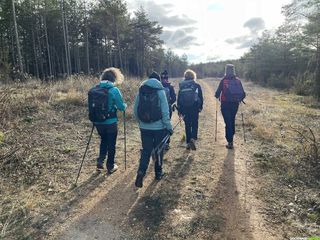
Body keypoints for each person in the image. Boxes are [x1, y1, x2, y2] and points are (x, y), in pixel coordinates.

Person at [134, 71, 173, 188]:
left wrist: (140, 122)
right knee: (159, 150)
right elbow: (165, 112)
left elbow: (135, 109)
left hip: (144, 127)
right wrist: (169, 127)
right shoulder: (161, 91)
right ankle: (158, 173)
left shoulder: (141, 90)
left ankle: (141, 172)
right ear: (159, 80)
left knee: (146, 151)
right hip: (159, 128)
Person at [93, 67, 127, 174]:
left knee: (103, 140)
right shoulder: (114, 90)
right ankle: (110, 166)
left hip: (98, 121)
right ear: (114, 78)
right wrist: (124, 106)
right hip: (110, 122)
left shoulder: (95, 89)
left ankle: (100, 161)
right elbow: (121, 107)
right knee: (111, 143)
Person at [215, 64, 246, 149]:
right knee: (232, 120)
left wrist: (217, 95)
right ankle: (231, 136)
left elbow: (217, 93)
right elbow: (243, 94)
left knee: (228, 122)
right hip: (235, 104)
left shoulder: (223, 80)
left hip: (225, 104)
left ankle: (230, 141)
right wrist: (238, 99)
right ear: (233, 70)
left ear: (226, 70)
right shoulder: (238, 81)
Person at [177, 69, 203, 150]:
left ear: (185, 77)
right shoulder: (196, 85)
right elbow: (200, 97)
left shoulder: (181, 86)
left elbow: (179, 99)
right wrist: (200, 107)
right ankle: (193, 139)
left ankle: (188, 143)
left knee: (187, 125)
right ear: (193, 76)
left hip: (184, 108)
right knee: (195, 123)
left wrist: (179, 110)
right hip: (194, 107)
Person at [160, 70, 176, 150]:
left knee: (160, 125)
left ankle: (160, 142)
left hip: (158, 108)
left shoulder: (158, 86)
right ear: (167, 78)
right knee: (167, 123)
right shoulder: (170, 86)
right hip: (168, 108)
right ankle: (166, 143)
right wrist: (168, 103)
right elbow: (174, 98)